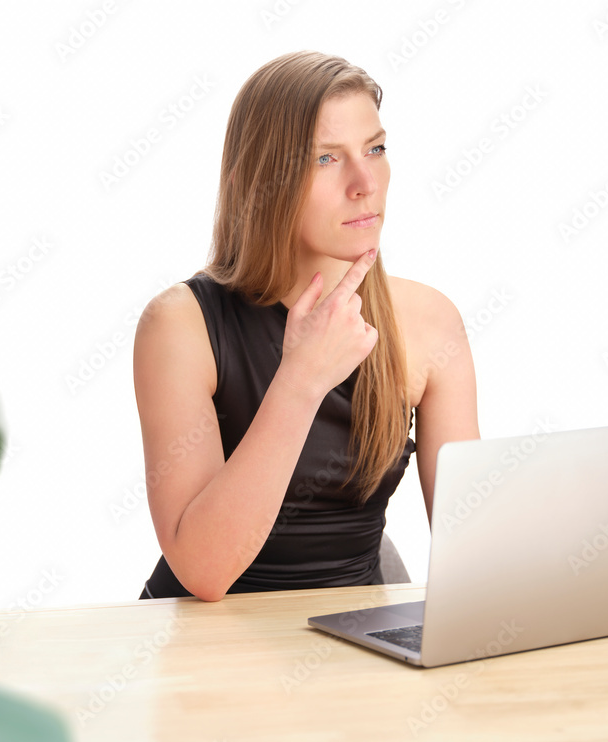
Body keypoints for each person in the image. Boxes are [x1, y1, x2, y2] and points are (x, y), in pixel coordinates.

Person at [133, 51, 479, 602]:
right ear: (261, 182)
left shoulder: (430, 320)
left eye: (375, 149)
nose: (365, 182)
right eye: (325, 158)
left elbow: (477, 558)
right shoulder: (180, 325)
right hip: (202, 636)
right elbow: (204, 572)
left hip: (349, 634)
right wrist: (301, 379)